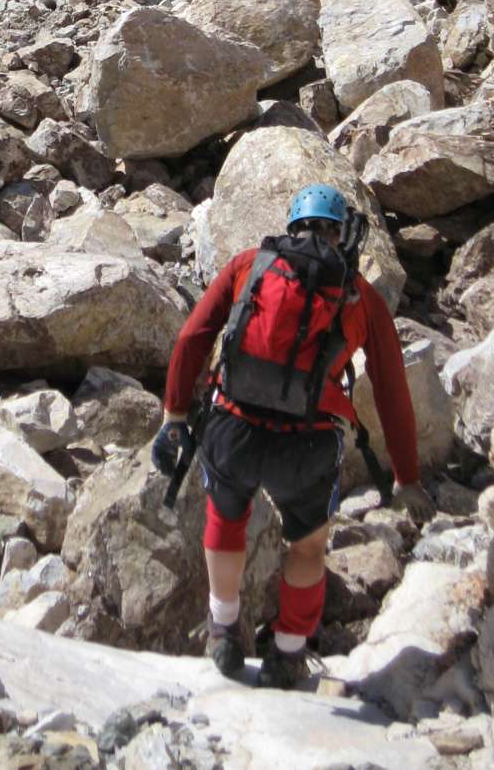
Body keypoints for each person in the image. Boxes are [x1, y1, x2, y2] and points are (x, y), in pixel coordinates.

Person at [151, 184, 430, 687]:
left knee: (226, 520)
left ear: (293, 225)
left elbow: (193, 336)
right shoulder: (359, 296)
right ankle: (288, 652)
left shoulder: (250, 265)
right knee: (307, 546)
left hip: (233, 427)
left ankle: (224, 628)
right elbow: (391, 391)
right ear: (342, 233)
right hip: (307, 443)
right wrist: (407, 476)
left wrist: (174, 413)